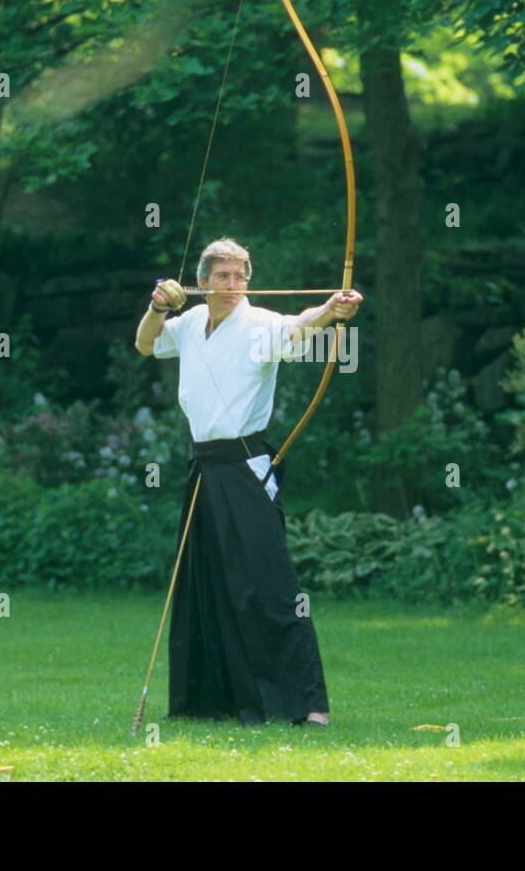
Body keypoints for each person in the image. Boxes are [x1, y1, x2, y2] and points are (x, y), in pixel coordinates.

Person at [135, 239, 363, 724]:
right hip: (204, 468)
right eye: (224, 277)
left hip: (245, 465)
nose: (235, 285)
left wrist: (330, 309)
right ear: (203, 283)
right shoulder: (192, 322)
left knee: (270, 584)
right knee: (208, 584)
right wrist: (157, 306)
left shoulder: (261, 325)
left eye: (241, 276)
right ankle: (212, 700)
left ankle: (304, 705)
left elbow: (299, 326)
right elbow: (147, 343)